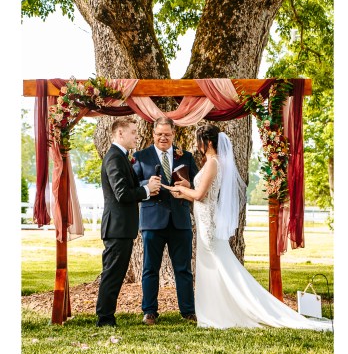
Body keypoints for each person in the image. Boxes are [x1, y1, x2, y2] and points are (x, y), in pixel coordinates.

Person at [164, 125, 330, 330]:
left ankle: (225, 311)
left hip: (208, 223)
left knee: (218, 266)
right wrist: (186, 189)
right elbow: (201, 194)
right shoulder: (214, 162)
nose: (197, 146)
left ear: (208, 142)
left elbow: (200, 195)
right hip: (205, 218)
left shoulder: (212, 163)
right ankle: (215, 310)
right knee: (214, 267)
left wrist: (181, 190)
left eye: (199, 142)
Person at [132, 117, 200, 325]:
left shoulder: (186, 156)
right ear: (153, 134)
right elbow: (132, 185)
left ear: (173, 134)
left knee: (184, 269)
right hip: (152, 221)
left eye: (167, 134)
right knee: (150, 268)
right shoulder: (140, 157)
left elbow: (197, 185)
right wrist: (147, 183)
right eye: (159, 134)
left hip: (180, 220)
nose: (163, 137)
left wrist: (189, 185)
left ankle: (188, 311)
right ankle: (149, 311)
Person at [96, 119, 161, 327]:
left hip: (122, 227)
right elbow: (122, 194)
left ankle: (107, 316)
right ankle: (105, 318)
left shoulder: (121, 156)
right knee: (112, 274)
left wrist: (147, 185)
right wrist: (146, 190)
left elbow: (128, 186)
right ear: (120, 133)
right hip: (117, 227)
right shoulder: (114, 157)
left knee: (116, 273)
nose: (137, 136)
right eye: (133, 132)